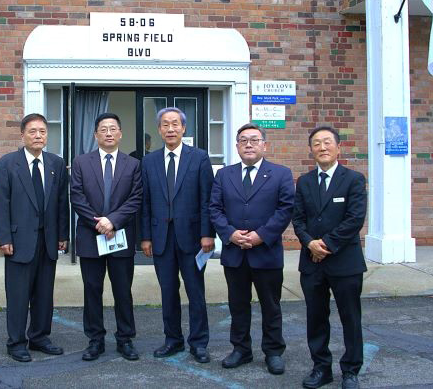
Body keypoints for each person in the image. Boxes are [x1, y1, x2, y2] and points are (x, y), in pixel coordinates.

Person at [209, 123, 293, 374]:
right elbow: (214, 208)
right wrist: (230, 234)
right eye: (243, 140)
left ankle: (273, 351)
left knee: (271, 306)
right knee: (238, 305)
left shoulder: (281, 174)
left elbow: (285, 209)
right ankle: (241, 349)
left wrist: (261, 236)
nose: (248, 144)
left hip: (266, 253)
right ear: (237, 146)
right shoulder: (224, 175)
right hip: (235, 253)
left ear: (264, 145)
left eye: (254, 140)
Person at [291, 126, 367, 389]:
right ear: (311, 150)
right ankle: (321, 368)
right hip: (312, 263)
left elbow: (355, 219)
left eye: (327, 142)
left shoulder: (353, 179)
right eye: (316, 143)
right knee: (316, 318)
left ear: (338, 147)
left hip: (345, 262)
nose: (322, 147)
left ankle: (351, 371)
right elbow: (298, 219)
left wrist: (325, 244)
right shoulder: (304, 182)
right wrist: (309, 242)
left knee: (350, 318)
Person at [0, 113, 70, 362]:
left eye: (42, 131)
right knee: (18, 295)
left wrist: (63, 234)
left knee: (44, 294)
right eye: (33, 131)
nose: (38, 136)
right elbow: (0, 203)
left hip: (48, 240)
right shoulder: (7, 164)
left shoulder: (56, 164)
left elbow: (62, 202)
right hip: (18, 241)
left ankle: (39, 337)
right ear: (22, 135)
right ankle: (16, 342)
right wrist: (4, 237)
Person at [140, 107, 215, 363]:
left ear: (183, 128)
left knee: (195, 292)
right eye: (165, 124)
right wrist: (146, 237)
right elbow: (145, 202)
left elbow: (207, 199)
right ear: (159, 130)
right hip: (161, 238)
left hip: (192, 238)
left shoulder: (199, 158)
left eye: (175, 124)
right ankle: (172, 339)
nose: (170, 129)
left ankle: (199, 343)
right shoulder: (149, 161)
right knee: (168, 291)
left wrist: (207, 234)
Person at [70, 113, 143, 361]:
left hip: (120, 237)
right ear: (96, 135)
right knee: (92, 290)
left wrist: (113, 221)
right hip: (91, 237)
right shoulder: (81, 162)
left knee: (123, 290)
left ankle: (125, 339)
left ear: (120, 134)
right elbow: (77, 197)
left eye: (113, 128)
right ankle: (95, 340)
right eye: (103, 129)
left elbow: (135, 198)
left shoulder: (132, 164)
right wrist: (99, 223)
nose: (108, 133)